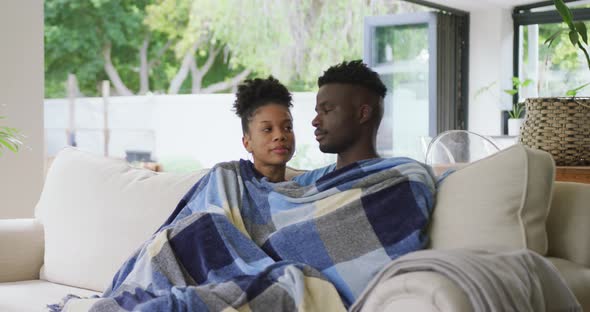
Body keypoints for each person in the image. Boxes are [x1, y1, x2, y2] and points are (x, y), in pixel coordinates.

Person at [293, 59, 387, 185]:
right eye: (317, 112)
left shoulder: (399, 182)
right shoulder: (305, 184)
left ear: (363, 114)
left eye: (327, 110)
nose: (315, 121)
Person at [234, 76, 296, 182]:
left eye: (287, 127)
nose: (280, 136)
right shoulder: (225, 179)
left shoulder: (306, 192)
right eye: (267, 129)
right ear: (247, 143)